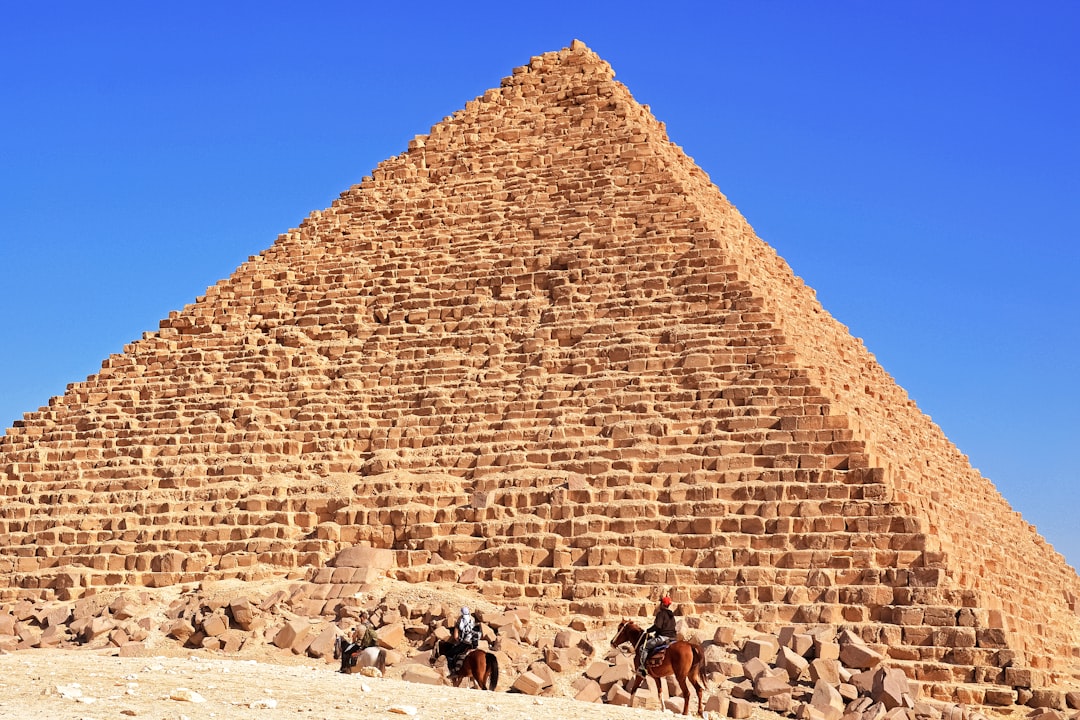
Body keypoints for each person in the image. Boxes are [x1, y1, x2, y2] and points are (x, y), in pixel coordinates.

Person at [637, 596, 677, 676]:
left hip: (663, 638)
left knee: (643, 648)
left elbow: (658, 626)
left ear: (662, 604)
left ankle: (642, 668)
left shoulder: (661, 614)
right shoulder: (671, 615)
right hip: (673, 638)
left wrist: (649, 630)